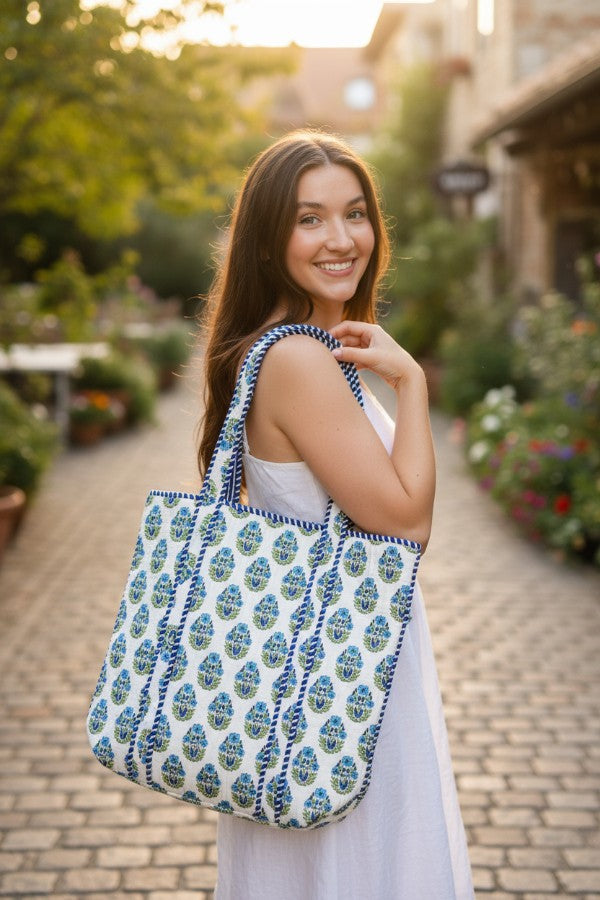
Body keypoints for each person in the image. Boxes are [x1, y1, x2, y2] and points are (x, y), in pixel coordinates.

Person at [199, 130, 474, 899]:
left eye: (356, 214)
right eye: (310, 219)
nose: (343, 238)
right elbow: (405, 527)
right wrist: (413, 383)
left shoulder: (309, 347)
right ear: (266, 241)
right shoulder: (298, 360)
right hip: (333, 670)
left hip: (321, 658)